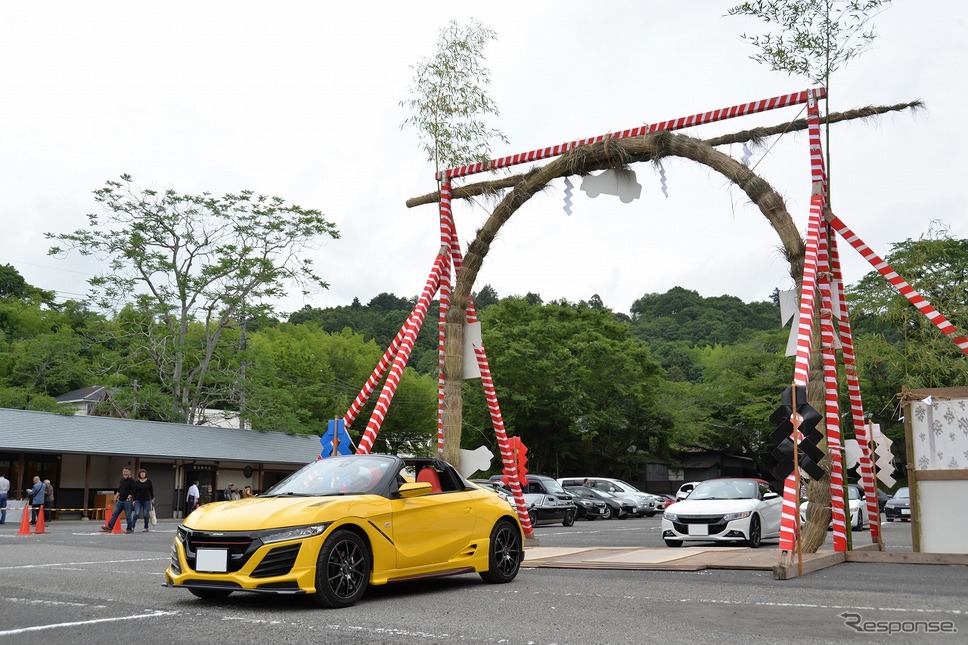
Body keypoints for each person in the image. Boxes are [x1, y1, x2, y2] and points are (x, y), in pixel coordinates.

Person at [101, 467, 136, 533]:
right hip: (120, 500)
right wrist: (116, 496)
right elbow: (119, 489)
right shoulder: (122, 480)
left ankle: (129, 528)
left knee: (128, 515)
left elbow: (133, 491)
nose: (125, 473)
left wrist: (129, 497)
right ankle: (109, 527)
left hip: (127, 501)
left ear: (130, 472)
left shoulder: (132, 481)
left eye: (126, 472)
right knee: (115, 514)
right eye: (124, 472)